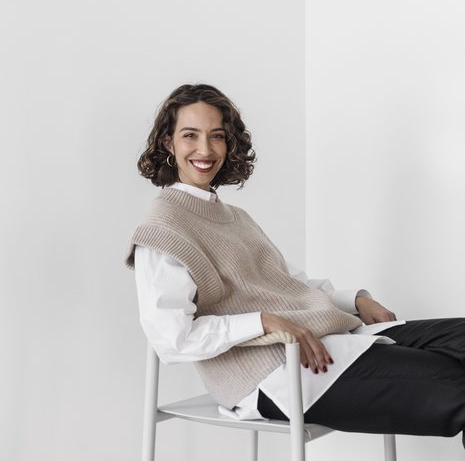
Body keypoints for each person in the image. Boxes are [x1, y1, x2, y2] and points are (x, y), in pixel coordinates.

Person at [125, 84, 465, 447]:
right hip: (277, 374)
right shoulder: (162, 229)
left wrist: (355, 300)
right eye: (190, 135)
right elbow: (171, 339)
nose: (205, 150)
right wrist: (262, 321)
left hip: (331, 339)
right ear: (168, 142)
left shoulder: (235, 217)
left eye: (217, 136)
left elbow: (287, 285)